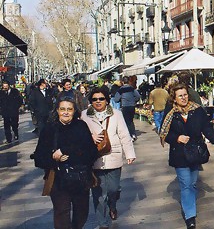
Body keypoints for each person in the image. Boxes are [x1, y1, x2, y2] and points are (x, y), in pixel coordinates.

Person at [159, 83, 214, 229]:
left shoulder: (197, 110)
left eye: (185, 94)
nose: (184, 98)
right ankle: (190, 217)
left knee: (192, 183)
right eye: (180, 95)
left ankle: (189, 207)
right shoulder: (170, 112)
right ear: (174, 98)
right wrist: (177, 138)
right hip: (179, 153)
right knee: (186, 185)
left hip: (195, 152)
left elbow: (206, 127)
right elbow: (164, 133)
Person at [33, 97, 98, 229]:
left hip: (80, 177)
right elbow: (38, 158)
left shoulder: (81, 126)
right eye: (62, 109)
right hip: (58, 179)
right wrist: (53, 158)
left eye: (69, 109)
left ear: (74, 111)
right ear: (57, 111)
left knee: (81, 211)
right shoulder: (49, 129)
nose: (66, 112)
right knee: (61, 211)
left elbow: (92, 152)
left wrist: (67, 151)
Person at [81, 87, 136, 229]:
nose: (98, 101)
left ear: (106, 100)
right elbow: (79, 135)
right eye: (95, 99)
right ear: (91, 101)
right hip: (94, 159)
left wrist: (129, 153)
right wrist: (90, 137)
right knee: (98, 193)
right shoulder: (84, 115)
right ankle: (102, 223)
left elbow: (124, 134)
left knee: (113, 189)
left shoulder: (116, 114)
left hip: (113, 156)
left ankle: (113, 204)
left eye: (101, 98)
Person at [114, 76, 141, 141]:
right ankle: (133, 134)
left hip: (125, 106)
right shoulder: (132, 89)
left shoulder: (121, 90)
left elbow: (116, 99)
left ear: (122, 82)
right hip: (132, 106)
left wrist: (121, 99)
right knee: (131, 121)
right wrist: (134, 101)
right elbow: (138, 96)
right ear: (128, 81)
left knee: (126, 121)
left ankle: (130, 135)